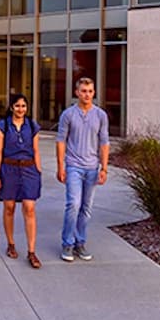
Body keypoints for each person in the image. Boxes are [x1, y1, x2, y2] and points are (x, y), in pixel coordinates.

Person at [56, 77, 110, 262]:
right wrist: (60, 166)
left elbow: (104, 143)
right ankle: (67, 244)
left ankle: (80, 242)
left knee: (86, 208)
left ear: (94, 93)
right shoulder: (68, 114)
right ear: (77, 92)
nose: (87, 94)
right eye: (83, 91)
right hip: (73, 166)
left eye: (90, 91)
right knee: (73, 204)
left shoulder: (101, 115)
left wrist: (104, 168)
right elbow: (61, 141)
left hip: (92, 168)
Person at [0, 93, 43, 269]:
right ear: (12, 107)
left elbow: (36, 149)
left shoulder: (32, 125)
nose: (21, 109)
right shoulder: (3, 126)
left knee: (29, 207)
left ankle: (31, 251)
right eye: (17, 106)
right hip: (9, 169)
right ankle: (11, 244)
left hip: (28, 169)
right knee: (9, 207)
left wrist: (38, 169)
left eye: (23, 106)